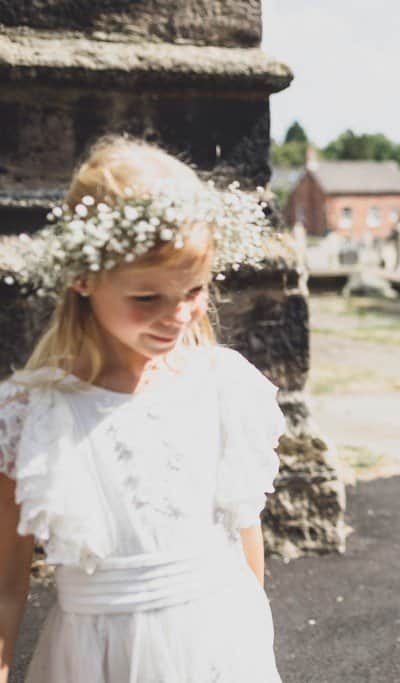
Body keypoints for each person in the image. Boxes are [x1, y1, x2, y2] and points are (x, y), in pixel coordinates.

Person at [0, 137, 283, 682]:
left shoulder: (223, 386)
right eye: (147, 298)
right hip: (98, 657)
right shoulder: (32, 413)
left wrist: (255, 646)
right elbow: (6, 587)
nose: (177, 316)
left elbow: (245, 530)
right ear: (83, 278)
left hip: (221, 644)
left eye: (194, 290)